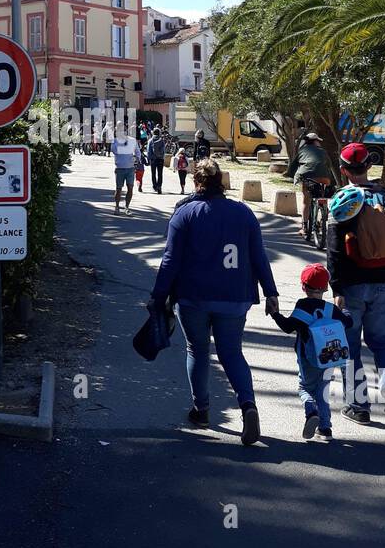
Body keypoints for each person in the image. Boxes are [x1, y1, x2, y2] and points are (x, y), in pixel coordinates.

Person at [149, 158, 279, 445]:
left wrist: (158, 295)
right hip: (235, 297)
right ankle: (248, 406)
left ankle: (202, 410)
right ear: (222, 181)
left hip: (193, 297)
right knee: (232, 353)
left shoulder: (185, 214)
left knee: (197, 349)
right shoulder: (244, 213)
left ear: (196, 182)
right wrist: (271, 293)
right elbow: (259, 256)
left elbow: (170, 260)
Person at [327, 142, 385, 430]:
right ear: (368, 167)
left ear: (344, 169)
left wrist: (336, 289)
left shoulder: (342, 199)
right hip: (384, 283)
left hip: (351, 287)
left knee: (350, 349)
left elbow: (334, 250)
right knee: (382, 344)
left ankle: (358, 406)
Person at [267, 263, 353, 440]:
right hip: (328, 358)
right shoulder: (331, 309)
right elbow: (348, 323)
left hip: (307, 358)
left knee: (304, 387)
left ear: (303, 287)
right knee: (322, 390)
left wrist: (275, 314)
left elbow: (287, 327)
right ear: (325, 288)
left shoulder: (302, 306)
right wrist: (345, 309)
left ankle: (310, 411)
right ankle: (325, 428)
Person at [287, 131, 333, 238]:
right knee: (322, 195)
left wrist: (290, 175)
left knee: (306, 201)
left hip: (306, 176)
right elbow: (329, 165)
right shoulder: (323, 151)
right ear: (315, 141)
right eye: (318, 141)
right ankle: (323, 215)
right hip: (324, 177)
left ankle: (304, 227)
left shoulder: (302, 151)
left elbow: (293, 166)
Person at [111, 129, 141, 215]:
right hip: (120, 168)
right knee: (119, 188)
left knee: (130, 188)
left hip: (130, 168)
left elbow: (137, 151)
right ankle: (117, 207)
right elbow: (114, 150)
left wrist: (137, 159)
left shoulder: (132, 140)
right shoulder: (115, 141)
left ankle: (127, 208)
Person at [147, 126, 166, 194]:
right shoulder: (162, 140)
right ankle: (159, 186)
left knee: (153, 173)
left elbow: (149, 151)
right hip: (160, 159)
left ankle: (155, 186)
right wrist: (162, 157)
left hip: (153, 159)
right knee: (160, 174)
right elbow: (164, 150)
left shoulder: (150, 140)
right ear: (159, 133)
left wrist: (148, 159)